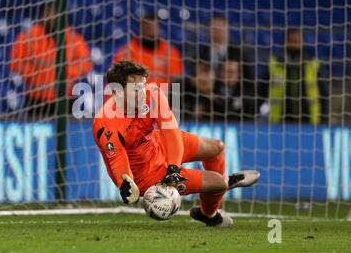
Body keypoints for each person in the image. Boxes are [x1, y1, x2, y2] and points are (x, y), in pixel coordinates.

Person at [92, 60, 260, 227]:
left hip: (158, 144)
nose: (143, 92)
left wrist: (173, 167)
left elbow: (171, 134)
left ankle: (210, 203)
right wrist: (126, 184)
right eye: (136, 89)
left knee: (218, 147)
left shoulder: (153, 96)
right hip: (147, 175)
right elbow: (117, 161)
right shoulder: (105, 125)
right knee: (220, 183)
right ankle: (210, 213)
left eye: (143, 85)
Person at [10, 1, 92, 118]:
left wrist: (66, 72)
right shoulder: (28, 37)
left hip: (65, 98)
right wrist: (36, 74)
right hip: (37, 99)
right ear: (42, 15)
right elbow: (15, 63)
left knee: (65, 132)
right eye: (48, 12)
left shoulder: (73, 38)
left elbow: (85, 64)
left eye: (54, 13)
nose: (51, 16)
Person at [259, 28, 329, 125]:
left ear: (302, 43)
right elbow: (261, 92)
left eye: (297, 41)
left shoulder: (313, 64)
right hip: (279, 122)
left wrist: (324, 120)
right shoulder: (274, 64)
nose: (295, 45)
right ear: (286, 43)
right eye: (292, 41)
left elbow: (324, 95)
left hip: (310, 122)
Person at [113, 13, 183, 86]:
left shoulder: (169, 52)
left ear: (159, 29)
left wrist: (175, 98)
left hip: (162, 95)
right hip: (135, 95)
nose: (150, 32)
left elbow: (176, 82)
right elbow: (116, 81)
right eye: (147, 28)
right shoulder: (126, 52)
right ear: (141, 30)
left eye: (153, 29)